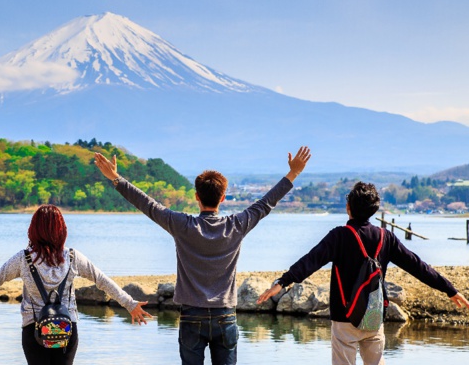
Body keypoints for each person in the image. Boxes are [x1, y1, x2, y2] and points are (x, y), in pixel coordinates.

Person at [94, 146, 311, 365]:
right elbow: (266, 203)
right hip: (224, 315)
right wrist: (293, 174)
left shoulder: (182, 225)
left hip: (191, 316)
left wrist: (115, 178)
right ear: (223, 197)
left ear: (196, 196)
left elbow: (147, 204)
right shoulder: (236, 225)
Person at [257, 181, 469, 365]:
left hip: (343, 318)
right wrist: (449, 289)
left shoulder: (339, 236)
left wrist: (282, 282)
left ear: (348, 208)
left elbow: (310, 262)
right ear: (374, 210)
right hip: (374, 316)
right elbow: (418, 266)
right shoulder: (386, 238)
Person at [0, 204, 153, 365]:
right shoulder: (73, 257)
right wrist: (130, 304)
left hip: (33, 329)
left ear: (34, 229)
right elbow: (103, 281)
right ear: (61, 230)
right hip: (67, 327)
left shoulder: (23, 259)